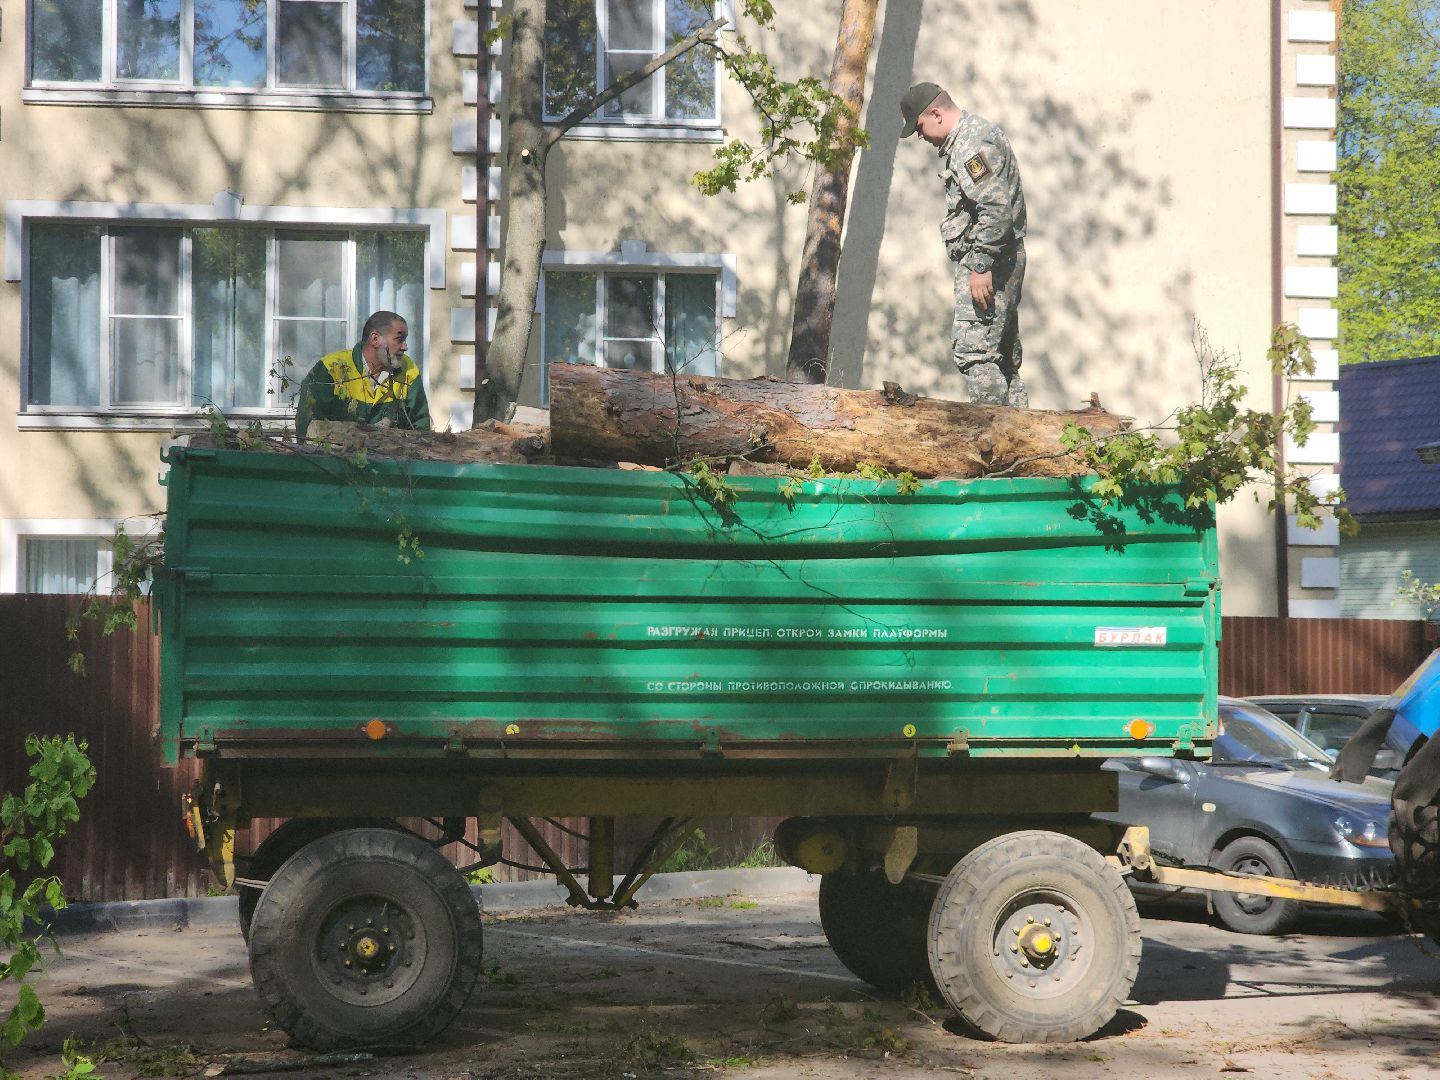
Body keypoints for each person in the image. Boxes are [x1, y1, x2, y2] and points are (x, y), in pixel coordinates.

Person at [900, 82, 1029, 408]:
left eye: (919, 127)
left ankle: (996, 442)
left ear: (936, 113)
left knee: (974, 353)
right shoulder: (976, 136)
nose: (920, 137)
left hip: (990, 263)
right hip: (1000, 258)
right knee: (1001, 359)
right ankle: (1025, 445)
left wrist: (981, 265)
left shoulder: (970, 145)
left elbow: (996, 210)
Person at [294, 311, 431, 440]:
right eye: (399, 339)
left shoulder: (409, 371)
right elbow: (307, 427)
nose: (405, 347)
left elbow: (421, 430)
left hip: (393, 464)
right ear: (375, 339)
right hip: (333, 462)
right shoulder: (331, 368)